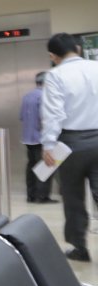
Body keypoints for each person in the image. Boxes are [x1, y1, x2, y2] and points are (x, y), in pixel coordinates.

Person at [40, 32, 98, 262]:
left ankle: (79, 249)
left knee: (73, 197)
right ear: (78, 48)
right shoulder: (96, 67)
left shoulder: (55, 75)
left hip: (71, 144)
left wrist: (48, 145)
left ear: (53, 56)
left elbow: (54, 113)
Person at [21, 71, 56, 203]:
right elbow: (45, 119)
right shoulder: (44, 96)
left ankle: (31, 195)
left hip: (27, 138)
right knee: (45, 166)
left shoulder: (27, 96)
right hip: (41, 138)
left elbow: (22, 117)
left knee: (31, 166)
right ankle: (42, 196)